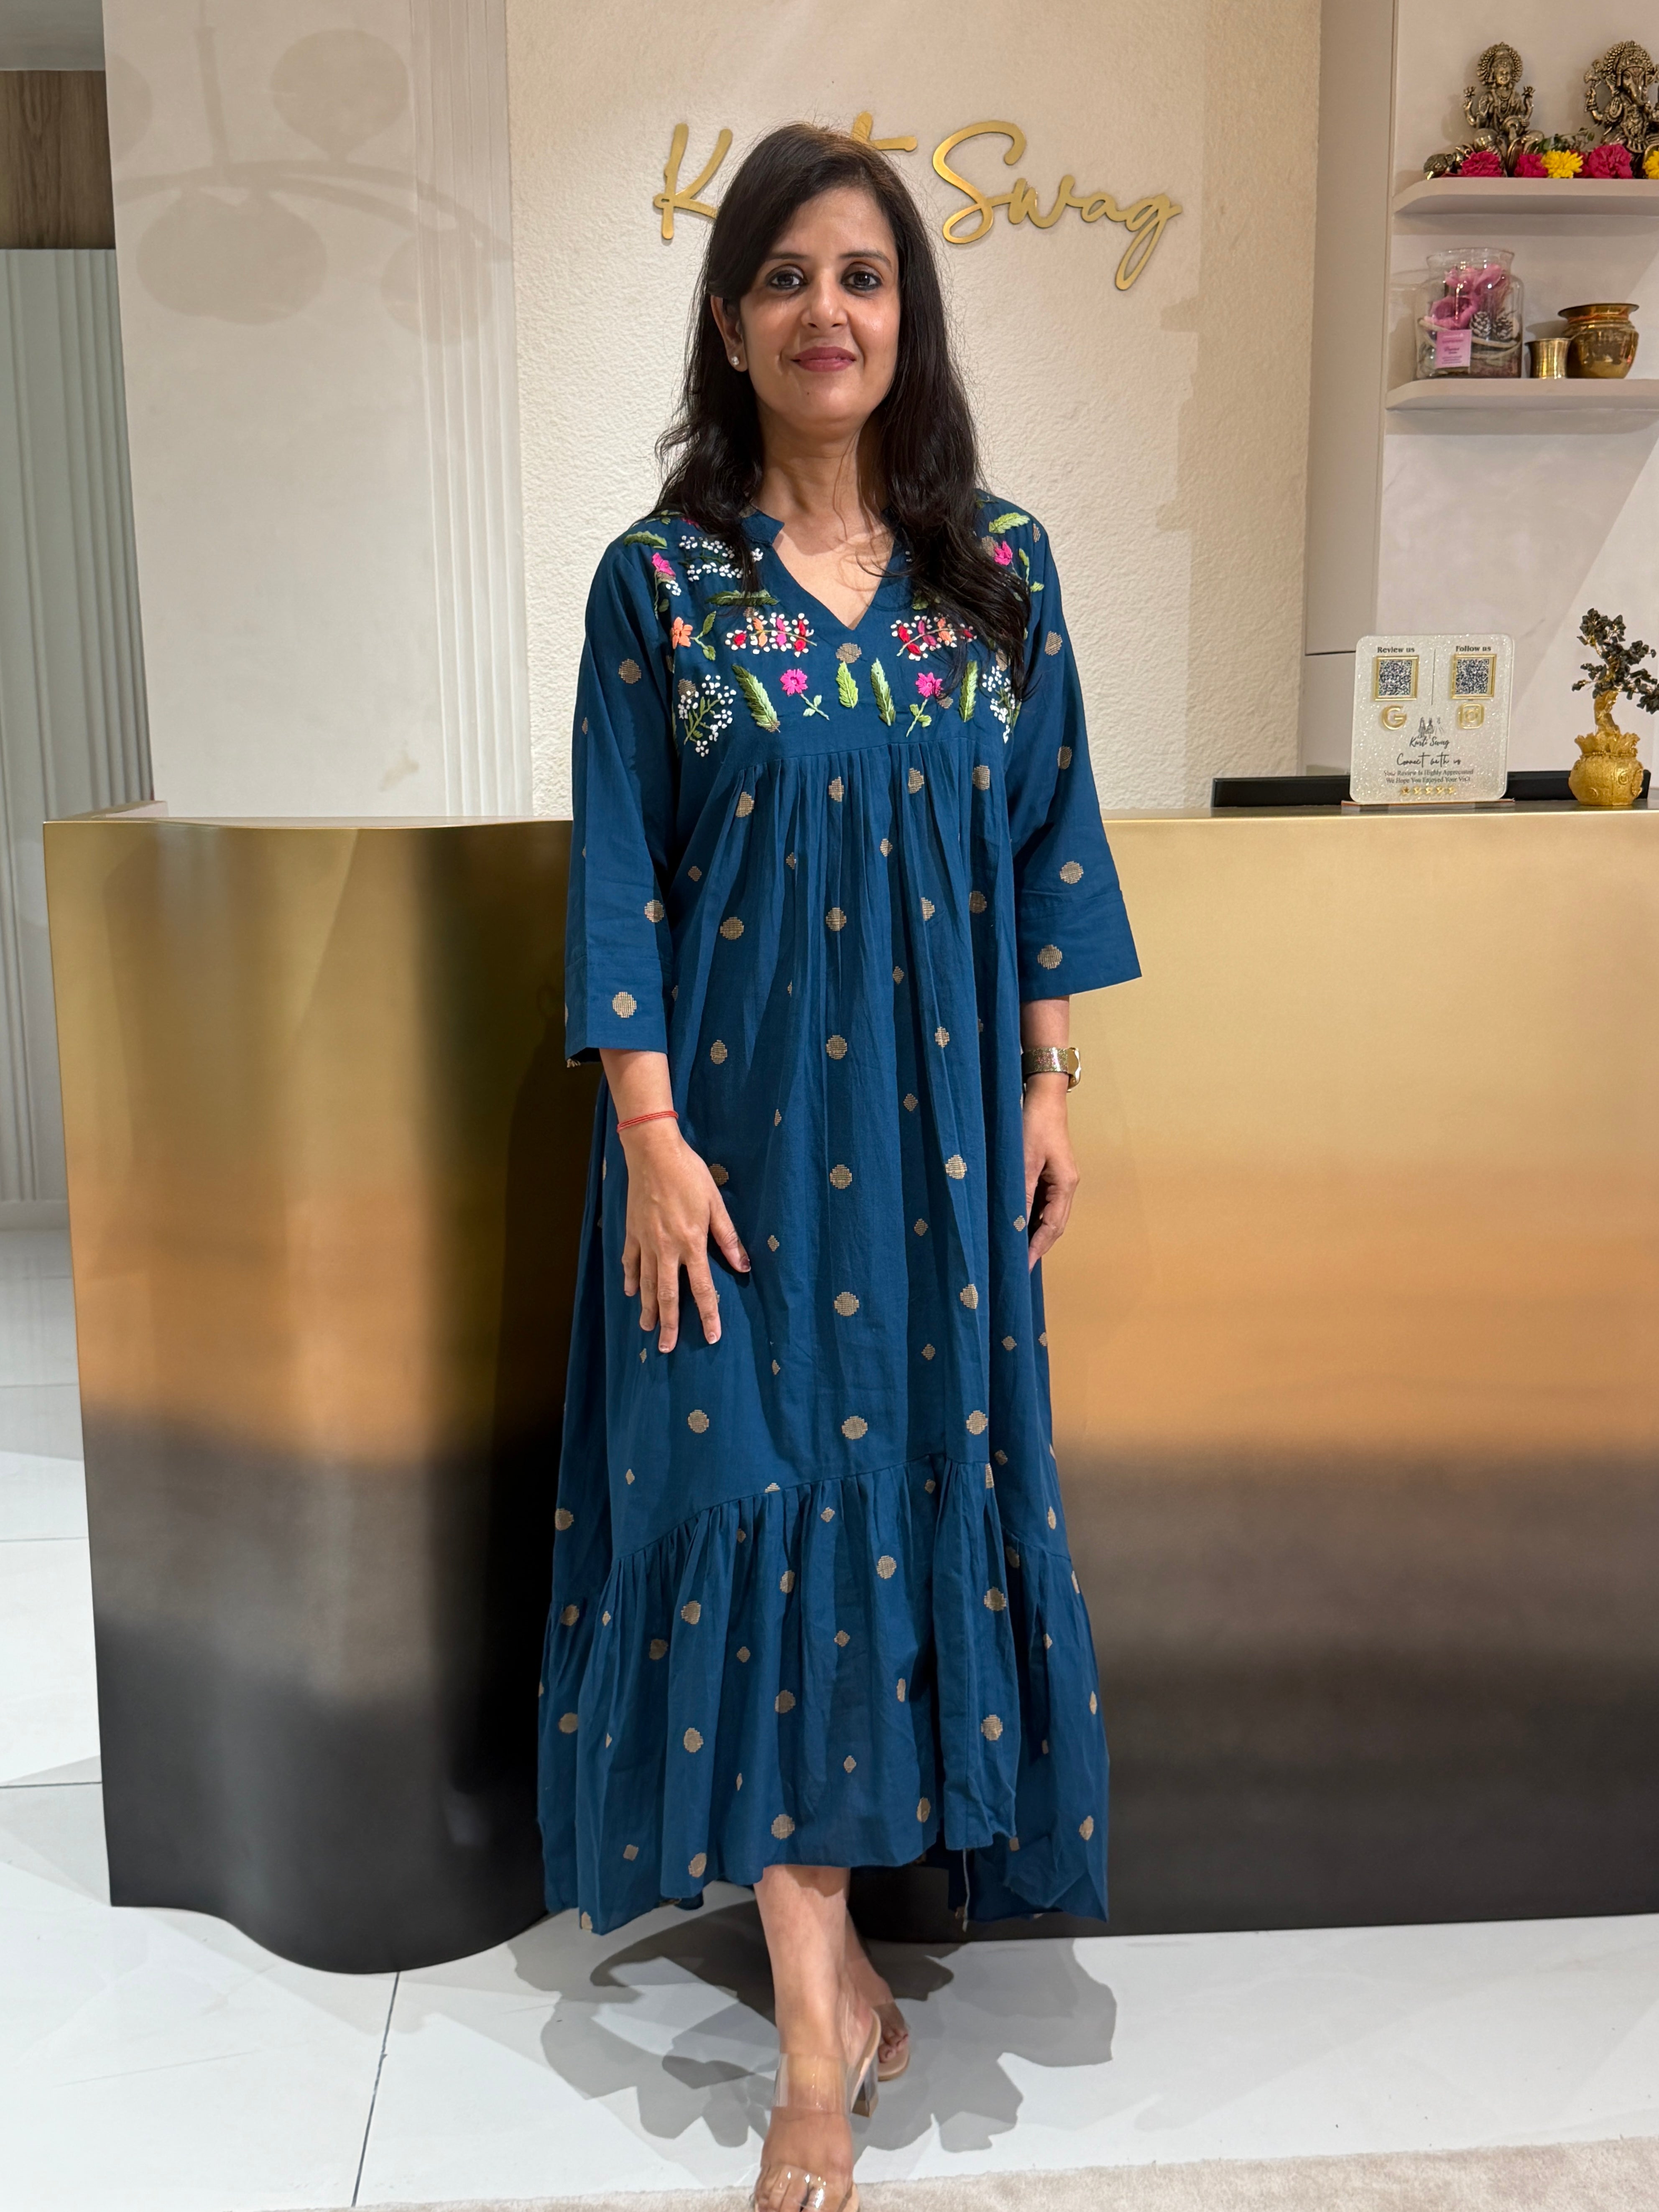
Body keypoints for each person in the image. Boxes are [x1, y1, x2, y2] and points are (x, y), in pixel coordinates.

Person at [538, 121, 1140, 2212]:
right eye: (785, 276)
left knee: (898, 1500)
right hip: (724, 1154)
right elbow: (617, 880)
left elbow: (1049, 844)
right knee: (752, 1495)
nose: (826, 311)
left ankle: (851, 1981)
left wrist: (1046, 1083)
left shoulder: (1000, 571)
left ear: (907, 317)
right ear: (729, 323)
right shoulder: (660, 585)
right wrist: (646, 1139)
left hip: (941, 1157)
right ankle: (814, 2019)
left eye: (862, 275)